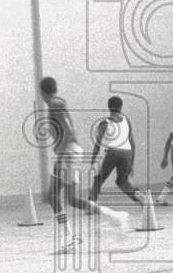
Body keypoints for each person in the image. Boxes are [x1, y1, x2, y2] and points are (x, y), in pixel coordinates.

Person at [38, 77, 130, 253]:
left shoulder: (55, 104)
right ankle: (70, 237)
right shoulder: (57, 103)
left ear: (43, 92)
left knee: (71, 199)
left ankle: (115, 217)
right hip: (67, 152)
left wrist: (61, 151)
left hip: (68, 153)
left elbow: (69, 130)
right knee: (53, 195)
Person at [89, 96, 142, 205]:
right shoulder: (127, 120)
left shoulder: (105, 122)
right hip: (127, 153)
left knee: (98, 179)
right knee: (122, 181)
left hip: (113, 152)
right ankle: (138, 196)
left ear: (109, 107)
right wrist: (131, 163)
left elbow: (98, 144)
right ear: (121, 106)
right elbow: (133, 144)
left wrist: (92, 161)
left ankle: (91, 205)